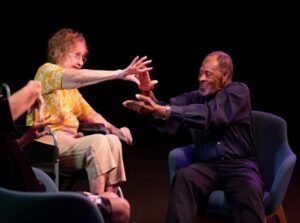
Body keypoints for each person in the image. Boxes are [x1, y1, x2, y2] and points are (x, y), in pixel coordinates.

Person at [123, 51, 265, 223]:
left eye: (208, 74)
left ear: (225, 75)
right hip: (207, 165)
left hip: (239, 165)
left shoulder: (238, 92)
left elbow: (211, 115)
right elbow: (163, 111)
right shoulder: (195, 97)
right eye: (200, 73)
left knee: (248, 189)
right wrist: (148, 93)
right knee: (184, 177)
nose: (201, 78)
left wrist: (165, 111)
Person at [26, 28, 152, 195]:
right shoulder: (46, 71)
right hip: (45, 144)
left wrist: (117, 131)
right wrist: (118, 74)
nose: (81, 62)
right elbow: (77, 78)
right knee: (98, 142)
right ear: (59, 51)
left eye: (83, 57)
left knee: (112, 141)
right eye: (76, 55)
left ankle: (110, 203)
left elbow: (91, 115)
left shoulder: (71, 91)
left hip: (67, 144)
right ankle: (98, 207)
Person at [0, 80, 131, 223]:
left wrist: (26, 138)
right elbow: (12, 107)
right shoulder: (48, 73)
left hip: (40, 194)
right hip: (35, 204)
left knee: (112, 197)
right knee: (121, 207)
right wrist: (33, 87)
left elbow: (7, 152)